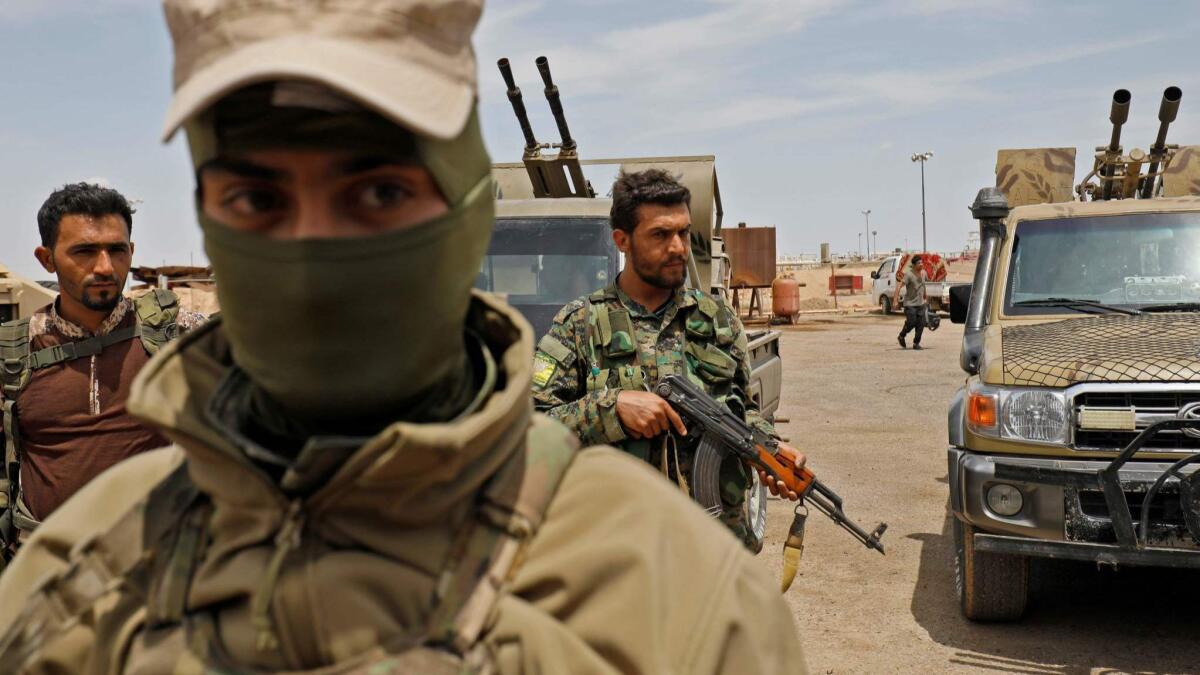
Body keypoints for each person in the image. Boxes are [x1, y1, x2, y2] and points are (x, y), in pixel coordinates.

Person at [0, 2, 807, 673]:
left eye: (379, 190)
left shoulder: (681, 602)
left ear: (465, 221)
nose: (314, 253)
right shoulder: (77, 578)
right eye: (255, 197)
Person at [532, 169, 805, 552]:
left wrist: (768, 448)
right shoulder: (580, 324)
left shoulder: (717, 319)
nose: (678, 247)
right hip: (617, 553)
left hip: (715, 550)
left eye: (683, 232)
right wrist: (612, 409)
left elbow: (743, 408)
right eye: (660, 235)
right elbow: (528, 427)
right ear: (622, 241)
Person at [0, 183, 204, 558]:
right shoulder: (15, 351)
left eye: (117, 250)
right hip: (45, 572)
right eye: (85, 251)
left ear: (132, 252)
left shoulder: (177, 333)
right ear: (47, 259)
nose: (105, 267)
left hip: (153, 564)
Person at [898, 254, 927, 350]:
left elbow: (923, 285)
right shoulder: (909, 274)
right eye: (919, 263)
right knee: (911, 322)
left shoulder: (923, 273)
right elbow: (899, 285)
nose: (921, 264)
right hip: (910, 304)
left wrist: (925, 295)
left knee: (921, 323)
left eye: (922, 262)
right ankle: (902, 335)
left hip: (920, 303)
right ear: (914, 265)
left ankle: (916, 343)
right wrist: (895, 300)